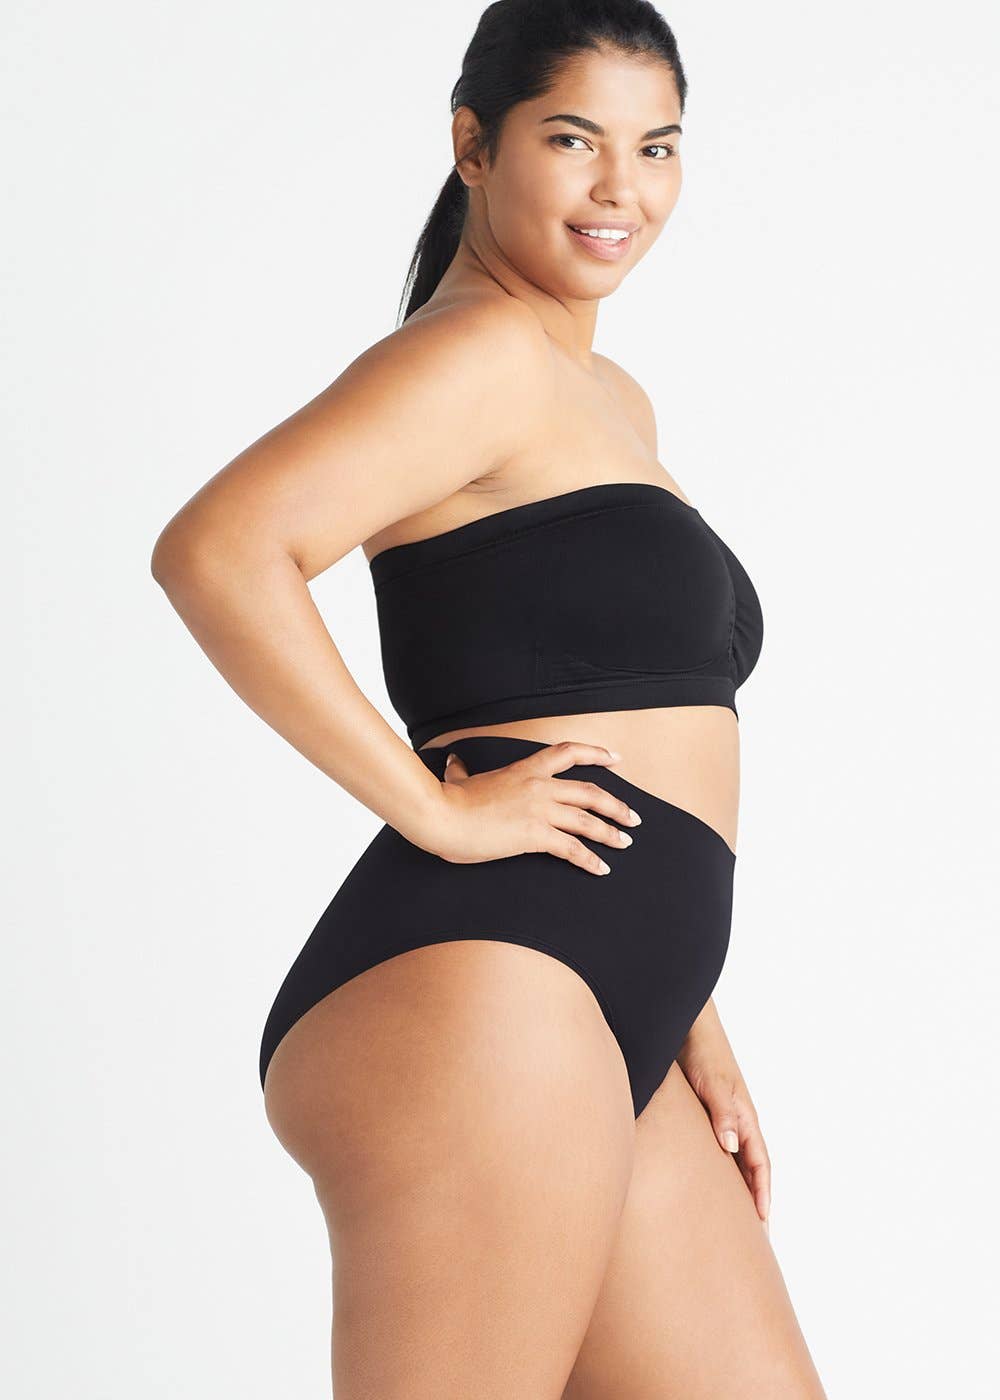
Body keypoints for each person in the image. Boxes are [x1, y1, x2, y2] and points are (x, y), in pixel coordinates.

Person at [151, 2, 827, 1394]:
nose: (620, 188)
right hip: (490, 990)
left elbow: (594, 714)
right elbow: (218, 550)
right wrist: (438, 812)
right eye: (574, 140)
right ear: (473, 144)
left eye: (656, 148)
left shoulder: (606, 396)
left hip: (608, 1010)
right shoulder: (481, 355)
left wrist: (689, 1014)